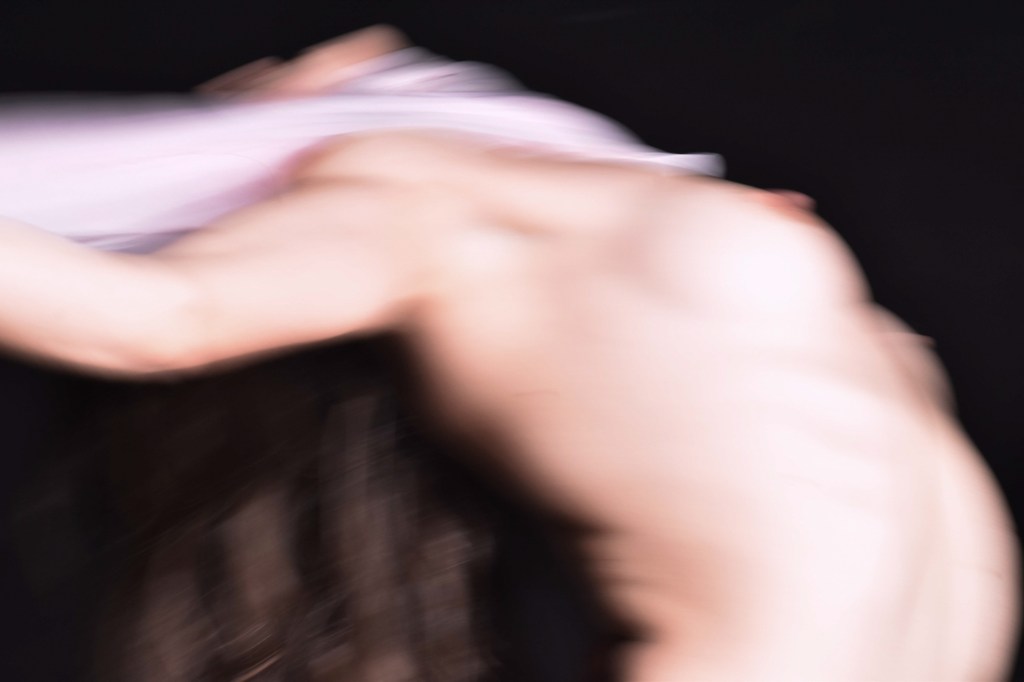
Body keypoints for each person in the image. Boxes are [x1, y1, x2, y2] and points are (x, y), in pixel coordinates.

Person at [0, 25, 1018, 680]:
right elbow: (156, 318)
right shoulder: (411, 193)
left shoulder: (598, 204)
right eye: (238, 82)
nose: (328, 47)